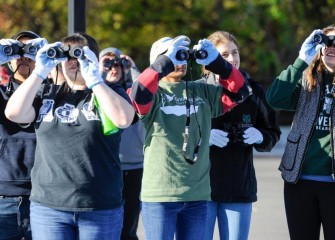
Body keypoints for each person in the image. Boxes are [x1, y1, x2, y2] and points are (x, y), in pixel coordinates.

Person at [5, 32, 135, 240]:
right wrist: (39, 71)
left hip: (99, 206)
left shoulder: (110, 92)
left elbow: (123, 119)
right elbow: (14, 112)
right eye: (68, 56)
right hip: (49, 207)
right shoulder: (47, 93)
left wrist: (94, 79)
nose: (74, 61)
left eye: (80, 54)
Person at [128, 35, 250, 240]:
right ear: (158, 60)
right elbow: (137, 94)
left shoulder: (201, 90)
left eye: (182, 56)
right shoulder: (153, 93)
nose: (180, 61)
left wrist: (218, 64)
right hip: (160, 195)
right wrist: (165, 63)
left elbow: (240, 92)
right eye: (174, 56)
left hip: (198, 195)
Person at [201, 31, 281, 240]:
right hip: (201, 187)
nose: (231, 59)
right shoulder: (198, 90)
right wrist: (202, 137)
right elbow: (178, 133)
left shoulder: (253, 90)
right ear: (210, 59)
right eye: (224, 55)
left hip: (238, 186)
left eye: (234, 52)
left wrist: (261, 136)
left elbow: (272, 131)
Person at [266, 25, 335, 240]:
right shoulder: (307, 81)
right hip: (300, 179)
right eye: (328, 42)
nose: (331, 47)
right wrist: (300, 61)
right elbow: (274, 98)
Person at [0, 30, 47, 240]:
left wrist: (50, 60)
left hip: (42, 196)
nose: (23, 56)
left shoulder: (51, 93)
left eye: (31, 51)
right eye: (17, 51)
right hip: (2, 196)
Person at [99, 47, 145, 240]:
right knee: (103, 223)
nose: (113, 69)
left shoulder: (132, 92)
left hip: (134, 166)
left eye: (117, 64)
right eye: (108, 64)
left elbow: (147, 89)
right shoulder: (96, 91)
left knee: (129, 225)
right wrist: (99, 72)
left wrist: (133, 68)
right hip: (105, 166)